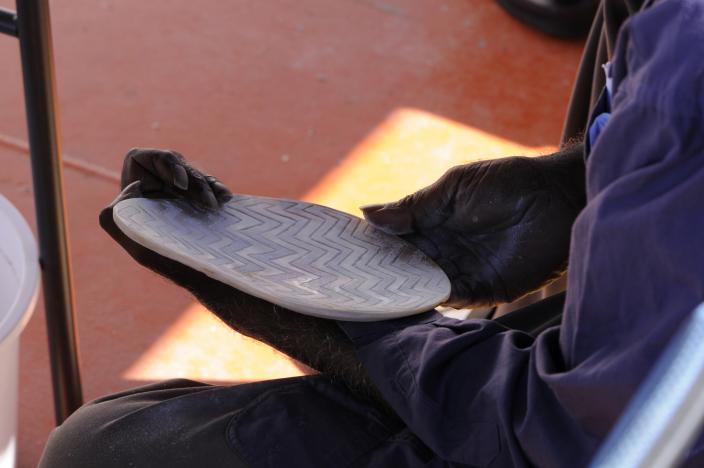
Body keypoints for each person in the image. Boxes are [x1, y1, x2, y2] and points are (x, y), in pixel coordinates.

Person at [38, 0, 704, 466]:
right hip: (628, 376)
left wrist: (332, 325)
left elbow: (586, 442)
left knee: (107, 452)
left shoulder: (686, 62)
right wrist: (574, 181)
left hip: (633, 437)